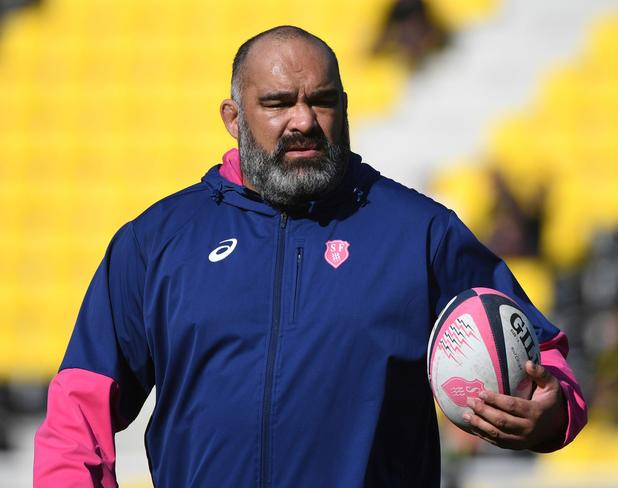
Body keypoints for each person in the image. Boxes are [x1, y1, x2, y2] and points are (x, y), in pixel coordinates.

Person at [33, 26, 587, 487]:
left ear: (343, 108)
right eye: (277, 103)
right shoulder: (157, 241)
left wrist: (551, 410)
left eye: (321, 101)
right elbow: (79, 409)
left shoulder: (419, 232)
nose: (302, 120)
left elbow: (541, 356)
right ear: (233, 117)